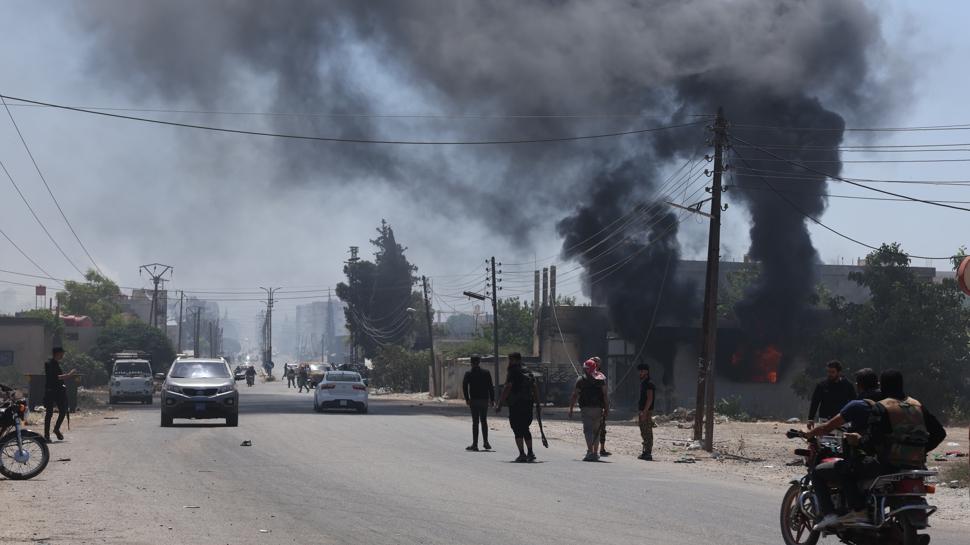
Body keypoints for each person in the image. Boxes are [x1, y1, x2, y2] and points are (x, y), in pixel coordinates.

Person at [807, 369, 946, 530]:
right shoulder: (918, 406)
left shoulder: (882, 407)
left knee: (843, 468)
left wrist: (858, 441)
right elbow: (940, 433)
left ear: (883, 386)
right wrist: (920, 450)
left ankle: (858, 511)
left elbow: (873, 440)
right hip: (916, 465)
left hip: (886, 464)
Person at [496, 353, 539, 462]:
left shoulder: (512, 372)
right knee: (525, 428)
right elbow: (534, 387)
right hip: (528, 404)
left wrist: (500, 403)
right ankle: (530, 452)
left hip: (516, 404)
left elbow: (507, 388)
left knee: (517, 429)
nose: (509, 362)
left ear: (515, 360)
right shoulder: (528, 371)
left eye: (510, 360)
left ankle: (522, 454)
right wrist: (537, 403)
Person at [568, 359, 609, 462]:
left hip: (586, 409)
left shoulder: (580, 380)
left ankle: (590, 452)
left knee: (588, 431)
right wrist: (607, 408)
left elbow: (574, 395)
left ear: (586, 369)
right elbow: (605, 395)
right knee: (596, 431)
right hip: (599, 409)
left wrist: (571, 409)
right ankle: (595, 453)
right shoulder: (601, 378)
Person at [807, 360, 855, 429]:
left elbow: (853, 402)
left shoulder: (847, 385)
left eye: (832, 372)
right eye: (828, 372)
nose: (830, 374)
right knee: (823, 439)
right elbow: (815, 402)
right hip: (825, 419)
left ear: (839, 372)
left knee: (841, 439)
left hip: (841, 419)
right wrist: (810, 418)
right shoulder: (822, 385)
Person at [462, 355, 494, 451]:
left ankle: (475, 444)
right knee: (484, 421)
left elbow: (464, 387)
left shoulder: (468, 373)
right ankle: (486, 442)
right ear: (479, 362)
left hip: (474, 400)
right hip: (484, 400)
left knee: (475, 422)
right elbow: (490, 387)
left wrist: (467, 399)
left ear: (471, 362)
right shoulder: (486, 373)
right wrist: (492, 399)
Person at [44, 347, 76, 443]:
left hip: (59, 391)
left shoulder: (57, 364)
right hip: (50, 391)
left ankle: (56, 429)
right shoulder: (49, 364)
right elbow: (55, 377)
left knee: (63, 411)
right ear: (57, 353)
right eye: (62, 353)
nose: (62, 355)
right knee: (49, 413)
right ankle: (46, 436)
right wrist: (69, 375)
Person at [591, 357, 611, 457]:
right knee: (591, 428)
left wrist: (606, 406)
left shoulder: (601, 376)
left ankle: (601, 449)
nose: (596, 364)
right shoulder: (588, 375)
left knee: (602, 428)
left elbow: (605, 393)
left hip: (599, 405)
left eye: (597, 363)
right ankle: (592, 449)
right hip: (590, 406)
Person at [637, 363, 656, 461]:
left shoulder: (649, 383)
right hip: (643, 410)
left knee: (647, 431)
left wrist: (644, 412)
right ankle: (645, 451)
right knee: (643, 431)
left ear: (646, 372)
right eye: (639, 371)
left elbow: (650, 399)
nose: (640, 373)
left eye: (642, 371)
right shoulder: (643, 383)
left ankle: (648, 452)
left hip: (646, 411)